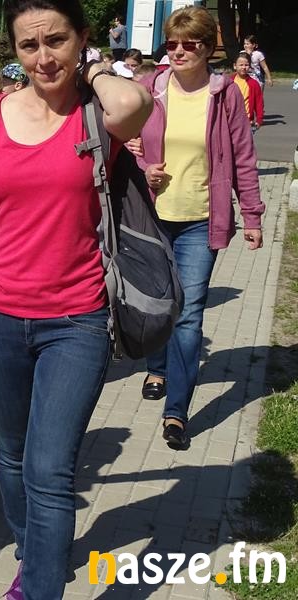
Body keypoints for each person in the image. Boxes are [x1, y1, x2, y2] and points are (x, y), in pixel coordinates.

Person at [0, 0, 152, 597]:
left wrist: (93, 69)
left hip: (77, 320)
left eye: (57, 41)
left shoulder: (99, 115)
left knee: (50, 469)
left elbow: (134, 104)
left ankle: (39, 584)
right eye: (29, 45)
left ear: (82, 39)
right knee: (11, 457)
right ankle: (32, 551)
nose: (44, 58)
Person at [135, 6, 264, 449]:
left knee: (188, 315)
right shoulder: (148, 88)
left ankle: (176, 412)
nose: (178, 51)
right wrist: (143, 167)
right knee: (156, 305)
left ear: (208, 48)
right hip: (151, 217)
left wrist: (252, 216)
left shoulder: (224, 95)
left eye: (189, 44)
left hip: (199, 221)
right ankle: (156, 368)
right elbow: (122, 143)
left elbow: (243, 158)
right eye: (171, 44)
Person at [232, 52, 264, 133]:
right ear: (235, 66)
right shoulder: (229, 81)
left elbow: (259, 103)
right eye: (241, 65)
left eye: (246, 65)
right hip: (230, 120)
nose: (244, 67)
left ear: (249, 66)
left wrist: (259, 119)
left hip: (246, 122)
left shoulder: (254, 84)